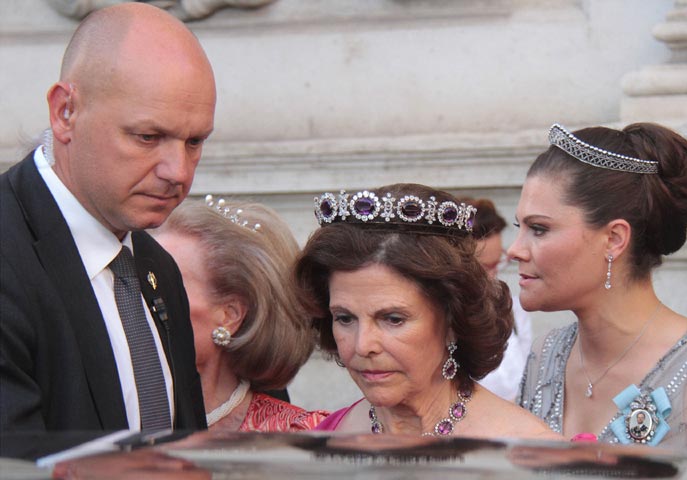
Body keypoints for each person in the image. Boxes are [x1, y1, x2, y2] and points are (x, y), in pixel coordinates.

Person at [0, 3, 215, 458]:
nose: (177, 171)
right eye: (147, 137)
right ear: (65, 112)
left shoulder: (156, 266)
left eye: (194, 141)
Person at [511, 123, 687, 452]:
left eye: (539, 229)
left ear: (614, 239)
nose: (515, 250)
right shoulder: (544, 357)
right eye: (521, 227)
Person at [295, 183, 561, 440]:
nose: (363, 345)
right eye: (344, 318)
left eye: (393, 319)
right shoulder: (325, 439)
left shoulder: (530, 455)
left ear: (453, 321)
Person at [153, 197, 329, 431]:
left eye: (166, 284)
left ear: (230, 316)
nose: (143, 296)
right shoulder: (119, 412)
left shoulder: (302, 436)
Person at [461, 197, 535, 402]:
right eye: (483, 268)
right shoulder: (443, 322)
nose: (492, 276)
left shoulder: (515, 310)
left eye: (496, 264)